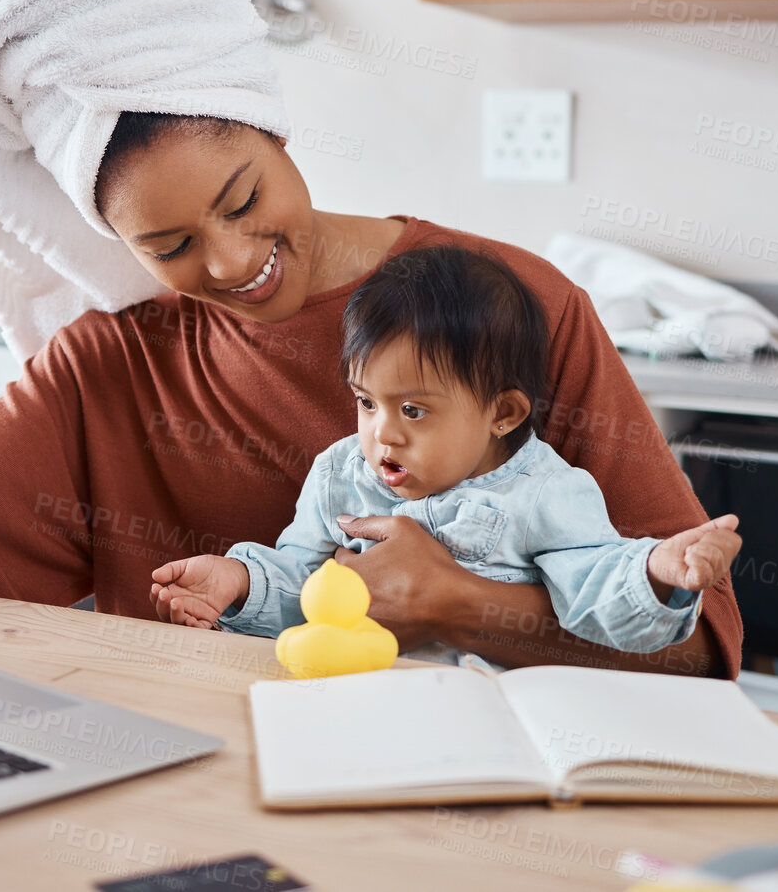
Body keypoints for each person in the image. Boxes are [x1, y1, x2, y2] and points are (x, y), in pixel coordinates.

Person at [0, 0, 742, 685]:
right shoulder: (117, 363)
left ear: (273, 129)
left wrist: (459, 604)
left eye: (244, 199)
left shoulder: (510, 310)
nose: (231, 261)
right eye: (166, 247)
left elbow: (701, 652)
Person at [149, 246, 743, 658]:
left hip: (487, 723)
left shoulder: (543, 493)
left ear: (502, 413)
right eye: (365, 402)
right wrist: (238, 583)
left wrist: (655, 570)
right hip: (364, 707)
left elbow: (594, 587)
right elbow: (303, 588)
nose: (383, 433)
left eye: (413, 410)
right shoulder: (340, 476)